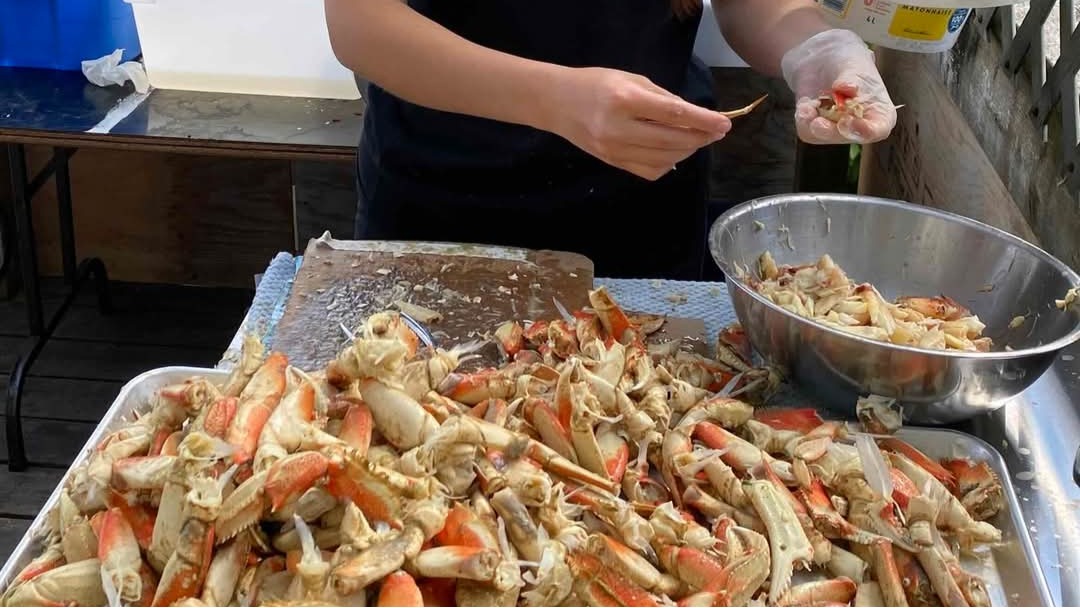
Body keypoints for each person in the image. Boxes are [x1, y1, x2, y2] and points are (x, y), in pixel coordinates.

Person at [324, 0, 896, 280]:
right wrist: (557, 101)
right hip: (443, 206)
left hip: (643, 207)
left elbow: (756, 4)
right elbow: (361, 24)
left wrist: (813, 46)